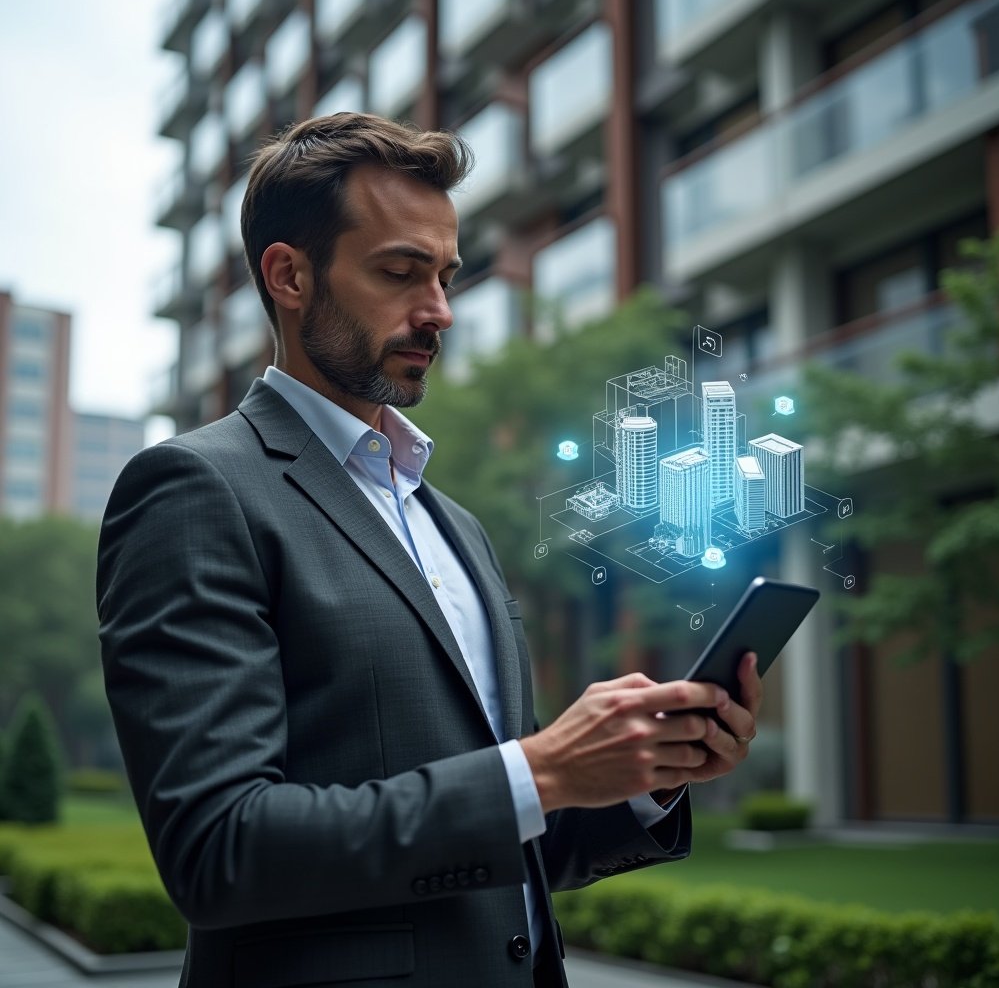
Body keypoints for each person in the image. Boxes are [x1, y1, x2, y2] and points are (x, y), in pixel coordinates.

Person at [98, 112, 762, 988]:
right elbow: (219, 849)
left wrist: (640, 776)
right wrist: (539, 767)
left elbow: (504, 838)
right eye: (400, 272)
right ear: (289, 276)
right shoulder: (193, 490)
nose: (440, 311)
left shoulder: (453, 523)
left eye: (446, 275)